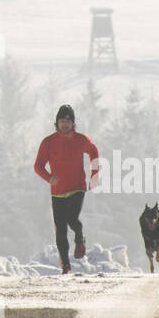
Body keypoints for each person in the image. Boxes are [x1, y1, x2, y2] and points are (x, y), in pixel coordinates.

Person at [33, 104, 99, 274]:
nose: (64, 124)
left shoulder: (81, 139)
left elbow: (94, 152)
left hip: (77, 188)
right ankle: (66, 267)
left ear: (73, 123)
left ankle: (79, 237)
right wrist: (49, 178)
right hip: (58, 192)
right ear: (57, 123)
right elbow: (38, 166)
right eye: (62, 121)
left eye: (68, 121)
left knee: (72, 218)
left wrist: (94, 174)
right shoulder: (48, 142)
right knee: (60, 231)